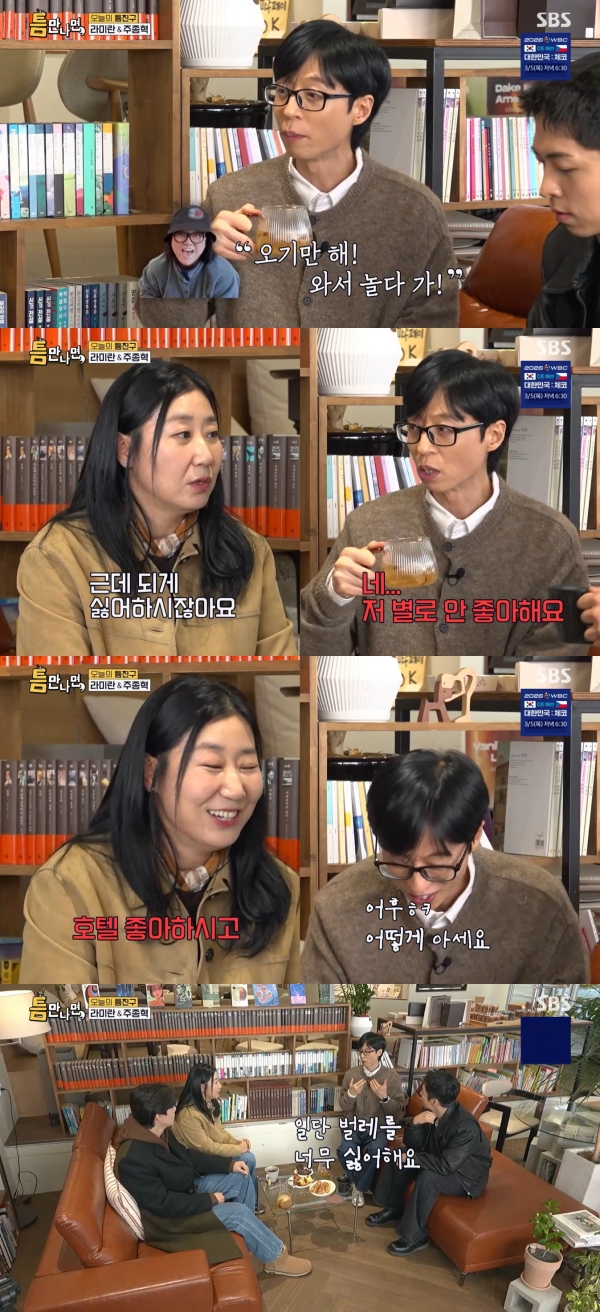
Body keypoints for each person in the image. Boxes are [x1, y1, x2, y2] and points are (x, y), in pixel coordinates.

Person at [300, 349, 591, 659]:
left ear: (493, 435)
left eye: (443, 430)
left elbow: (560, 663)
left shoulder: (550, 538)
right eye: (414, 428)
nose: (422, 447)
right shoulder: (367, 524)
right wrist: (334, 596)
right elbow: (318, 659)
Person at [20, 676, 301, 984]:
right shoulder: (70, 885)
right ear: (150, 772)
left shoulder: (279, 888)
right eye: (212, 765)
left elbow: (300, 1012)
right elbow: (58, 1013)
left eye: (248, 766)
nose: (236, 789)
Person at [16, 360, 296, 656]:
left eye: (212, 434)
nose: (205, 455)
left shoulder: (248, 550)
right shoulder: (57, 556)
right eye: (183, 434)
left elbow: (280, 668)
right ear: (125, 450)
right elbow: (58, 681)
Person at [203, 20, 458, 328]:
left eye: (312, 95)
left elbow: (432, 329)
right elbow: (167, 328)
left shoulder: (415, 212)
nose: (289, 110)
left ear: (361, 109)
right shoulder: (229, 196)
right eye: (282, 91)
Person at [300, 750, 588, 983]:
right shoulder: (336, 908)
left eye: (437, 865)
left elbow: (565, 1029)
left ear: (475, 836)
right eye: (399, 861)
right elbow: (320, 1022)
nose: (417, 886)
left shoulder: (541, 906)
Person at [113, 1082, 311, 1277]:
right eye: (172, 1106)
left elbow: (188, 1156)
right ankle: (276, 1258)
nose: (176, 1108)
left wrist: (229, 1165)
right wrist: (210, 1199)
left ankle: (253, 1237)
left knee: (240, 1176)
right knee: (239, 1213)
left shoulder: (158, 1132)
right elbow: (163, 1204)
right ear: (158, 1116)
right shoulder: (133, 1159)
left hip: (186, 1189)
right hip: (172, 1221)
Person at [366, 1072, 492, 1256]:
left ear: (434, 1101)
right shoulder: (432, 1110)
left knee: (428, 1178)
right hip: (439, 1158)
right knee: (398, 1155)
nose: (419, 1094)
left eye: (423, 1093)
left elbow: (447, 1166)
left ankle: (415, 1237)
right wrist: (415, 1123)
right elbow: (414, 1145)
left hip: (465, 1175)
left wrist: (413, 1159)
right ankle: (393, 1209)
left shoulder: (466, 1127)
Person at [523, 53, 600, 329]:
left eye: (565, 168)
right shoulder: (564, 247)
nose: (546, 188)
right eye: (542, 163)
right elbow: (543, 353)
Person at [173, 1060, 262, 1212]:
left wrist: (238, 1143)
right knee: (243, 1172)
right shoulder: (188, 1115)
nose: (220, 1086)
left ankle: (251, 1204)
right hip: (199, 1173)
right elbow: (206, 1148)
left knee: (249, 1157)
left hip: (211, 1161)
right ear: (202, 1087)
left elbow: (220, 1133)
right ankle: (246, 1214)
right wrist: (237, 1149)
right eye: (215, 1082)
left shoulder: (209, 1103)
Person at [337, 1033, 406, 1206]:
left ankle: (357, 1187)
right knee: (345, 1149)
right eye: (360, 1051)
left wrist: (384, 1098)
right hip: (354, 1126)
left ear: (379, 1052)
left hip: (379, 1128)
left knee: (375, 1150)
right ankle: (356, 1181)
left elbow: (398, 1111)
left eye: (367, 1052)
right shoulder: (351, 1074)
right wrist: (351, 1094)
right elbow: (344, 1106)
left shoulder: (392, 1077)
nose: (362, 1056)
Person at [138, 207, 240, 301]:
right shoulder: (154, 270)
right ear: (170, 238)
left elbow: (225, 313)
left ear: (206, 241)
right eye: (181, 234)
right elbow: (147, 310)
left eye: (197, 234)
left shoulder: (224, 275)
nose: (188, 242)